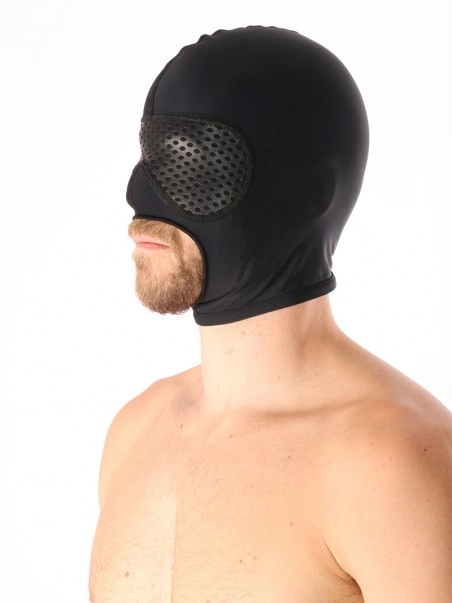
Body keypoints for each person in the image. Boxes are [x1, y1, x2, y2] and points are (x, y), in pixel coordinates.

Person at [89, 26, 452, 602]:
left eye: (190, 161)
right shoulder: (136, 431)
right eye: (148, 154)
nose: (139, 194)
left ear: (309, 195)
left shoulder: (395, 463)